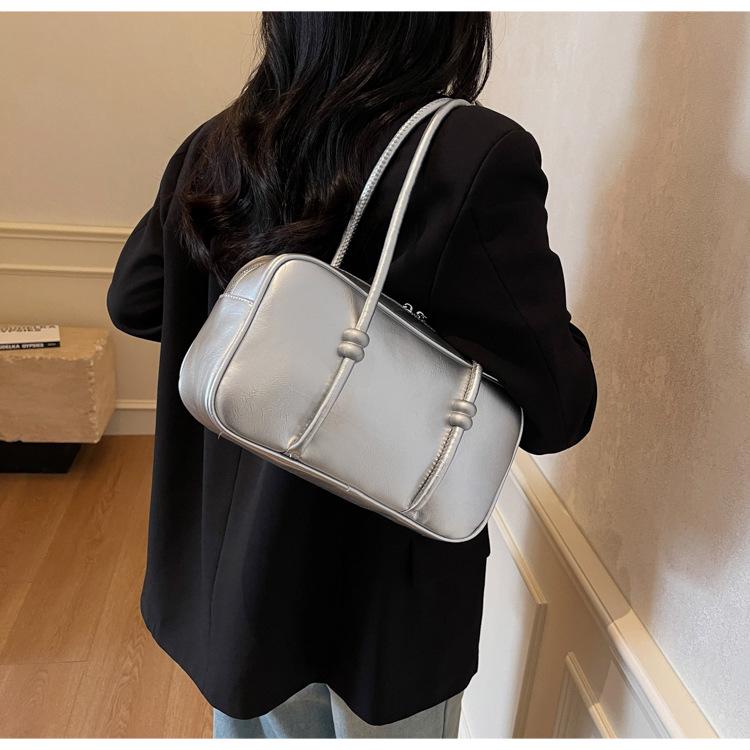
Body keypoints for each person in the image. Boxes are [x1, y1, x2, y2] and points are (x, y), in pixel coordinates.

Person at [107, 11, 597, 740]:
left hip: (231, 586)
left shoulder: (221, 141)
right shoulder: (466, 153)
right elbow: (559, 408)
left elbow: (138, 299)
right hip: (375, 609)